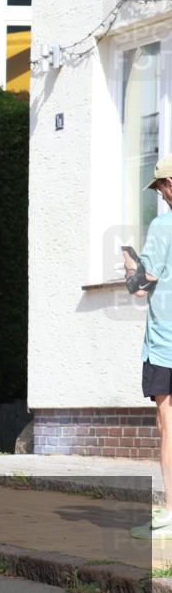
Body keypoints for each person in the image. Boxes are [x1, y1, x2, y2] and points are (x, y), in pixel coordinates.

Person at [126, 155, 172, 539]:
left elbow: (146, 280)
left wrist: (130, 271)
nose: (160, 195)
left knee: (168, 425)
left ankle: (171, 515)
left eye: (160, 187)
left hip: (166, 343)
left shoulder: (163, 224)